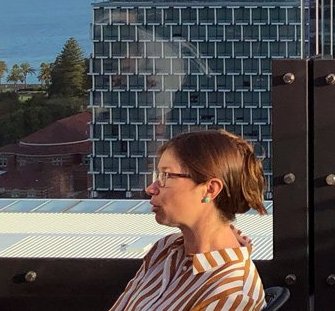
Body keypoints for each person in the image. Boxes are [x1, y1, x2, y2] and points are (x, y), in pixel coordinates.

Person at [110, 129, 268, 311]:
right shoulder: (166, 248)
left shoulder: (232, 295)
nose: (150, 188)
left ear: (210, 189)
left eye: (165, 176)